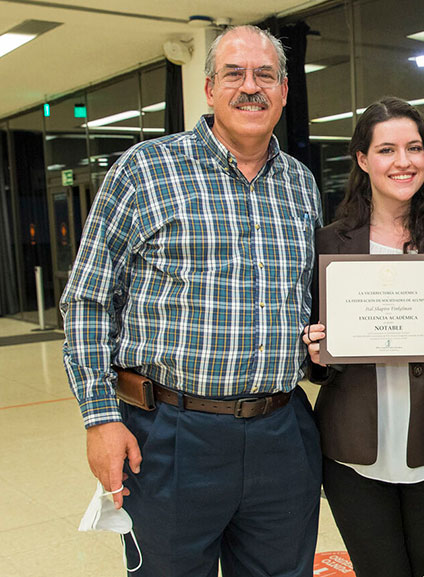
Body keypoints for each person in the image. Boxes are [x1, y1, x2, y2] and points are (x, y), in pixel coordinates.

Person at [60, 25, 322, 577]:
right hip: (169, 435)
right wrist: (99, 417)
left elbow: (307, 299)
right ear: (208, 88)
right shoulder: (144, 170)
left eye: (264, 75)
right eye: (234, 73)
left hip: (282, 432)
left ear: (283, 91)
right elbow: (86, 300)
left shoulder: (300, 183)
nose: (250, 87)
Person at [301, 97, 424, 577]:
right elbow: (316, 359)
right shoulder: (329, 244)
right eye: (387, 150)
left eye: (414, 148)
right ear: (362, 160)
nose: (403, 161)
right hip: (352, 448)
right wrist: (316, 348)